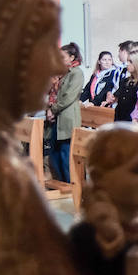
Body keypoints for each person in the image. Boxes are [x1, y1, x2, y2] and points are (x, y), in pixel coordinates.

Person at [47, 43, 84, 182]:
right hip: (57, 118)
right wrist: (49, 109)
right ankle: (61, 184)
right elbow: (54, 93)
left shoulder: (76, 73)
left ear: (72, 57)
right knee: (55, 156)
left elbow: (68, 96)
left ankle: (72, 187)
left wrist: (53, 109)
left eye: (62, 57)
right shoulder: (63, 72)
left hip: (67, 118)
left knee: (66, 156)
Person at [111, 51, 138, 123]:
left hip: (134, 121)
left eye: (130, 62)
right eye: (127, 61)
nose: (127, 64)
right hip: (120, 120)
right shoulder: (125, 81)